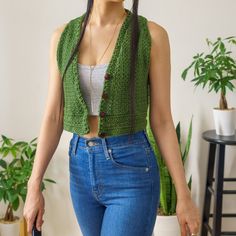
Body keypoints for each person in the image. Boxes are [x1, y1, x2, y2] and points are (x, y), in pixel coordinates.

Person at [23, 0, 201, 235]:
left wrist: (183, 195)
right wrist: (33, 185)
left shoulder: (151, 36)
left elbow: (162, 120)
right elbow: (54, 116)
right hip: (80, 168)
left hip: (132, 169)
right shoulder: (63, 37)